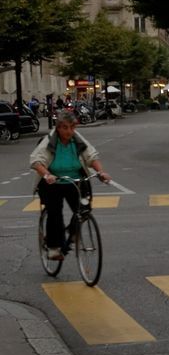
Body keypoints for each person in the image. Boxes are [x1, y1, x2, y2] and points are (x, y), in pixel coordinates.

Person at [30, 111, 110, 260]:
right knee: (55, 212)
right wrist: (47, 175)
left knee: (84, 209)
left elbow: (91, 156)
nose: (69, 131)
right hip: (52, 182)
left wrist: (101, 172)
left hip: (76, 181)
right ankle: (53, 247)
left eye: (72, 128)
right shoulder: (50, 140)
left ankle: (72, 233)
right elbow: (36, 161)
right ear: (58, 128)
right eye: (65, 128)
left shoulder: (77, 140)